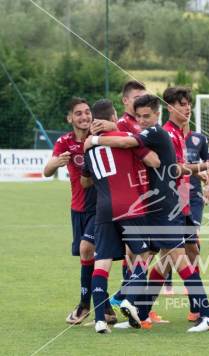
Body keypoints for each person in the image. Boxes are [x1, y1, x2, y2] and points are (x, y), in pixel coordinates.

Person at [85, 94, 209, 332]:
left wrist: (93, 139)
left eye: (147, 116)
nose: (143, 120)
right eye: (139, 117)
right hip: (154, 207)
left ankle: (206, 314)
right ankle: (142, 313)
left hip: (165, 207)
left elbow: (126, 142)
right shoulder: (151, 135)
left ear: (157, 115)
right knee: (151, 259)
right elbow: (167, 164)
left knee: (178, 260)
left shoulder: (155, 132)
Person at [82, 99, 160, 334]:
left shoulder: (89, 147)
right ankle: (127, 297)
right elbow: (153, 161)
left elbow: (85, 181)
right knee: (142, 254)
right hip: (130, 205)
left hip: (103, 209)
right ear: (113, 117)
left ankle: (99, 319)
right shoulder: (125, 138)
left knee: (102, 261)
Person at [43, 97, 115, 325]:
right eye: (78, 113)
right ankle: (103, 307)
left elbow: (121, 130)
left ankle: (86, 306)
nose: (84, 117)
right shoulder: (65, 142)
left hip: (102, 207)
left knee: (87, 249)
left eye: (87, 112)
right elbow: (46, 171)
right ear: (70, 118)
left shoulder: (100, 138)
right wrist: (57, 162)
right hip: (78, 208)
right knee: (88, 256)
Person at [161, 86, 209, 321]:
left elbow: (203, 164)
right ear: (170, 107)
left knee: (191, 248)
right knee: (171, 252)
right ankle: (137, 301)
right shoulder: (166, 134)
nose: (186, 108)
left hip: (192, 199)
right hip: (172, 200)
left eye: (188, 104)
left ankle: (195, 306)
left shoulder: (197, 137)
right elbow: (175, 168)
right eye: (181, 104)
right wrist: (204, 168)